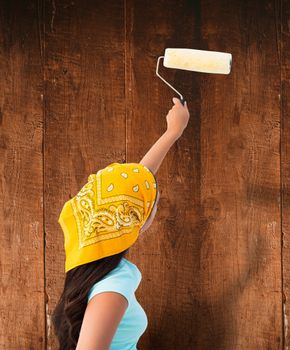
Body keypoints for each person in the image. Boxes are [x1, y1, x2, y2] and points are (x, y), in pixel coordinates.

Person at [52, 98, 190, 350]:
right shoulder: (114, 285)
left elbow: (129, 188)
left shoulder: (87, 263)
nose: (155, 209)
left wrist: (173, 132)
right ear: (133, 222)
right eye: (153, 205)